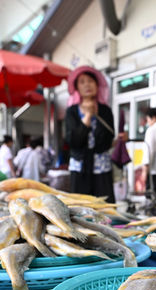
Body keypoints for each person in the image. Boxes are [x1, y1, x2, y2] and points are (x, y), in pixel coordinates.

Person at [65, 65, 119, 202]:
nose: (87, 85)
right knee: (80, 206)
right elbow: (73, 141)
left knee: (105, 206)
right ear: (77, 87)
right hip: (79, 166)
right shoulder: (71, 111)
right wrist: (88, 116)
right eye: (82, 82)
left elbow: (107, 140)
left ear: (97, 85)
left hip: (101, 166)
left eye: (90, 81)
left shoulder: (105, 110)